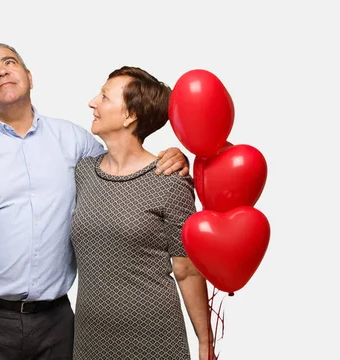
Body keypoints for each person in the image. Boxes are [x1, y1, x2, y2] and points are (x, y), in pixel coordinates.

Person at [0, 42, 189, 360]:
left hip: (58, 326)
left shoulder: (75, 142)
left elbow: (125, 164)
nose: (1, 70)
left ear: (30, 78)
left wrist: (175, 157)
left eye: (9, 62)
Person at [70, 66, 214, 360]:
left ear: (130, 115)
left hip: (153, 340)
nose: (92, 102)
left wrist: (204, 342)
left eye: (104, 97)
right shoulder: (83, 172)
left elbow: (187, 271)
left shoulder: (170, 181)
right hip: (90, 339)